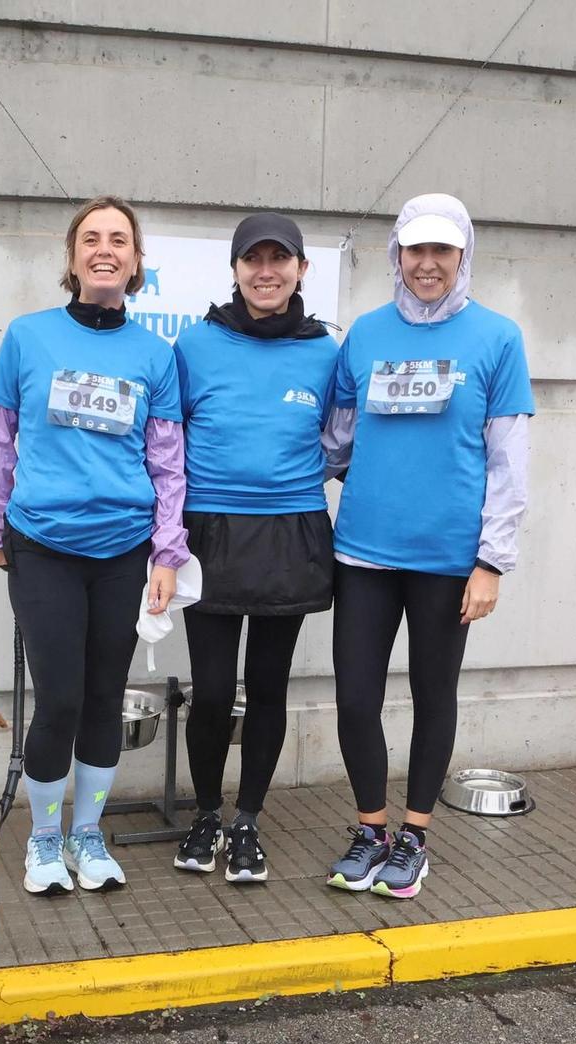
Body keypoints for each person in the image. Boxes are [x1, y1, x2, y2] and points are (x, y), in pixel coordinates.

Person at [320, 193, 534, 900]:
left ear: (463, 254)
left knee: (432, 694)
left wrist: (492, 561)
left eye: (444, 250)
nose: (429, 264)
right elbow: (336, 439)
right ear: (398, 255)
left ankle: (416, 835)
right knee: (356, 698)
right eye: (417, 250)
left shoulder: (497, 340)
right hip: (364, 552)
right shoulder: (366, 335)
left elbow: (508, 462)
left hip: (449, 561)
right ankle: (370, 828)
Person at [0, 196, 188, 895]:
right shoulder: (27, 337)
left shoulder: (156, 355)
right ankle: (43, 842)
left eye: (119, 240)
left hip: (124, 549)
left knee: (104, 698)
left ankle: (88, 835)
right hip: (43, 546)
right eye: (91, 238)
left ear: (136, 263)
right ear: (71, 258)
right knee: (60, 698)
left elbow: (166, 462)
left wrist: (166, 552)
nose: (105, 249)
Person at [168, 213, 339, 884]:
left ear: (301, 269)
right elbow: (165, 442)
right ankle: (207, 811)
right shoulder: (194, 345)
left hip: (291, 533)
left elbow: (347, 437)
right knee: (211, 691)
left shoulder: (327, 351)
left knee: (268, 686)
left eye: (280, 258)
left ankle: (248, 821)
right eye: (252, 259)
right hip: (209, 533)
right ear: (235, 270)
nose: (266, 271)